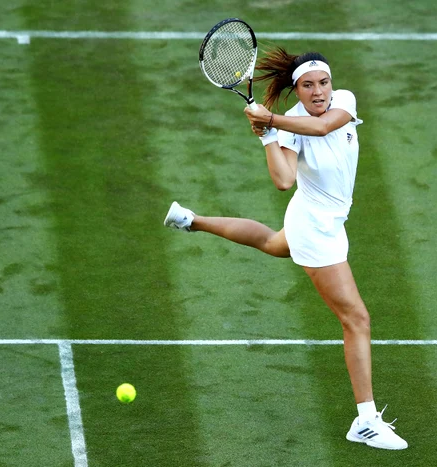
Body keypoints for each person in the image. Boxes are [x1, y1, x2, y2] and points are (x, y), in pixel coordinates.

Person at [164, 47, 408, 450]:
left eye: (323, 82)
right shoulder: (291, 123)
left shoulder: (343, 101)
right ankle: (365, 421)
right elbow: (283, 180)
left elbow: (325, 126)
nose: (318, 92)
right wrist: (270, 136)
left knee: (270, 242)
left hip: (327, 220)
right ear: (297, 89)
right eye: (308, 85)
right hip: (313, 225)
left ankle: (191, 220)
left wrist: (271, 120)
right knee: (356, 320)